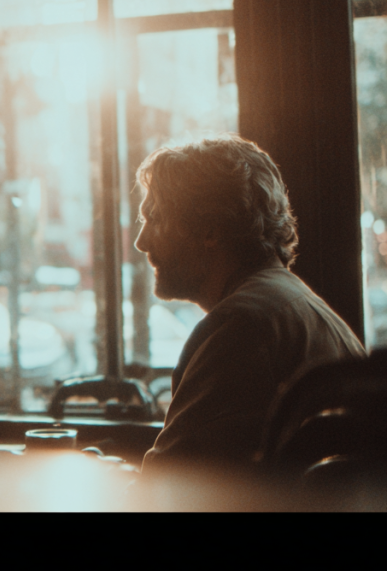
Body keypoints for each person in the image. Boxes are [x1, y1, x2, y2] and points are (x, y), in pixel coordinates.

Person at [133, 134, 365, 477]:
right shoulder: (296, 305)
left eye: (155, 218)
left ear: (209, 229)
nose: (141, 242)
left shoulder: (241, 327)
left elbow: (164, 490)